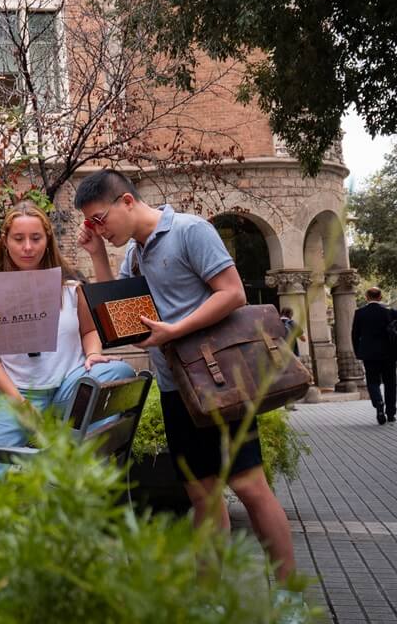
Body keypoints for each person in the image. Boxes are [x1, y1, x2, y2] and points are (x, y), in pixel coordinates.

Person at [74, 169, 297, 584]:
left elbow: (233, 293)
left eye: (99, 219)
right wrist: (98, 257)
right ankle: (210, 598)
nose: (98, 229)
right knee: (203, 497)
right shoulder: (134, 254)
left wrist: (176, 330)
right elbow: (124, 318)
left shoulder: (190, 231)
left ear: (126, 201)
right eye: (90, 224)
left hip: (220, 385)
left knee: (249, 487)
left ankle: (288, 597)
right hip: (177, 390)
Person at [0, 200, 136, 488]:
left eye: (35, 238)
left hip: (70, 387)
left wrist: (93, 354)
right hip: (18, 393)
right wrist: (20, 406)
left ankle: (67, 468)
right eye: (19, 239)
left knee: (118, 372)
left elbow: (89, 330)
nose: (27, 247)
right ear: (5, 242)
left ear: (47, 240)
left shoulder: (70, 287)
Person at [351, 286, 397, 425]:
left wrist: (358, 352)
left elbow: (355, 335)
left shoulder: (360, 313)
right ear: (380, 297)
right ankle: (391, 413)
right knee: (390, 383)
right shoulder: (389, 313)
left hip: (369, 354)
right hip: (389, 354)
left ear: (367, 297)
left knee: (372, 381)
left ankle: (378, 402)